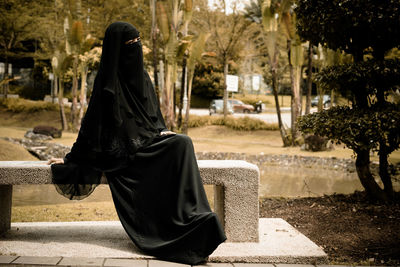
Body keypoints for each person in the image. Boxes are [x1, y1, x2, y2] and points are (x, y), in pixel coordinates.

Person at [48, 21, 226, 265]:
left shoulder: (141, 76)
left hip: (146, 144)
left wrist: (162, 131)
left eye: (138, 42)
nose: (136, 48)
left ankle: (194, 216)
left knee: (182, 143)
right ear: (117, 49)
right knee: (180, 145)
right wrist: (71, 158)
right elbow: (91, 127)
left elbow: (153, 117)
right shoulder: (107, 85)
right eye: (131, 44)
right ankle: (169, 228)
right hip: (122, 157)